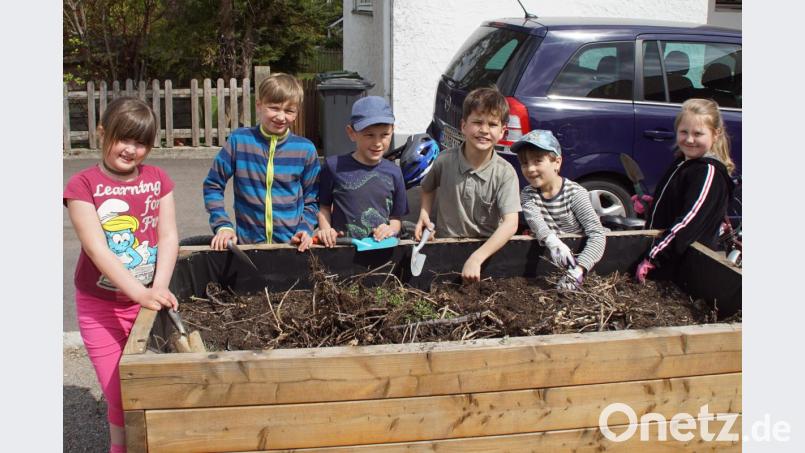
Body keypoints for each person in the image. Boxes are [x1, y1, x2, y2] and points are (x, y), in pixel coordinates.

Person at [63, 97, 178, 453]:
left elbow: (168, 236)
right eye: (123, 138)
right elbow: (97, 249)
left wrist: (157, 288)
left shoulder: (158, 179)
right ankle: (120, 448)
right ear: (102, 132)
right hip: (100, 307)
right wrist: (139, 292)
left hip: (147, 301)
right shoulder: (82, 185)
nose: (131, 149)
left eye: (141, 142)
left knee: (151, 385)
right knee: (118, 390)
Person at [203, 73, 320, 252]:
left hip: (291, 248)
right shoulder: (239, 141)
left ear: (297, 113)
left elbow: (314, 198)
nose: (281, 117)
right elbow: (213, 185)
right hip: (248, 247)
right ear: (259, 105)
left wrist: (305, 228)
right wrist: (222, 225)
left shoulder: (305, 149)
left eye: (289, 111)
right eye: (274, 108)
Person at [414, 87, 521, 282]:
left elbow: (511, 224)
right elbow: (427, 188)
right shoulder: (444, 161)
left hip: (486, 254)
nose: (484, 130)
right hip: (446, 247)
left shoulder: (506, 173)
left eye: (492, 124)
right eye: (477, 122)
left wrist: (477, 258)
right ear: (463, 125)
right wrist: (424, 214)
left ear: (502, 131)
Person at [634, 98, 736, 283]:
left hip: (683, 270)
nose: (689, 139)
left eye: (698, 133)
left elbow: (688, 221)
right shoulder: (682, 163)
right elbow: (679, 204)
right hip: (665, 261)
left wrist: (654, 258)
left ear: (716, 134)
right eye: (684, 132)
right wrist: (654, 205)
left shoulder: (707, 172)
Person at [513, 129, 605, 290]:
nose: (530, 169)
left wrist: (579, 269)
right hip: (552, 260)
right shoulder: (528, 194)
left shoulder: (574, 194)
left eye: (538, 161)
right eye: (525, 163)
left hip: (582, 259)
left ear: (557, 162)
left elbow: (597, 235)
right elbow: (536, 222)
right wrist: (553, 242)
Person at [316, 96, 408, 246]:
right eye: (369, 135)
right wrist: (326, 230)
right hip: (341, 249)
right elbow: (324, 207)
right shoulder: (333, 166)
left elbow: (396, 218)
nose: (377, 143)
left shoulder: (395, 172)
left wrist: (390, 229)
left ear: (393, 131)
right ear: (351, 133)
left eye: (384, 134)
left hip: (382, 251)